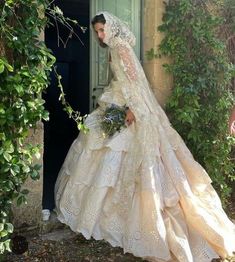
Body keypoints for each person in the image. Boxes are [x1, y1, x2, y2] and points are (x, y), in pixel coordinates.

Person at [54, 11, 235, 262]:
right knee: (98, 148)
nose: (100, 35)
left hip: (132, 107)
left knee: (133, 159)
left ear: (113, 29)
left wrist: (132, 111)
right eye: (97, 31)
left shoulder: (122, 48)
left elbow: (137, 83)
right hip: (118, 101)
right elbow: (121, 81)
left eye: (103, 30)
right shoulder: (114, 49)